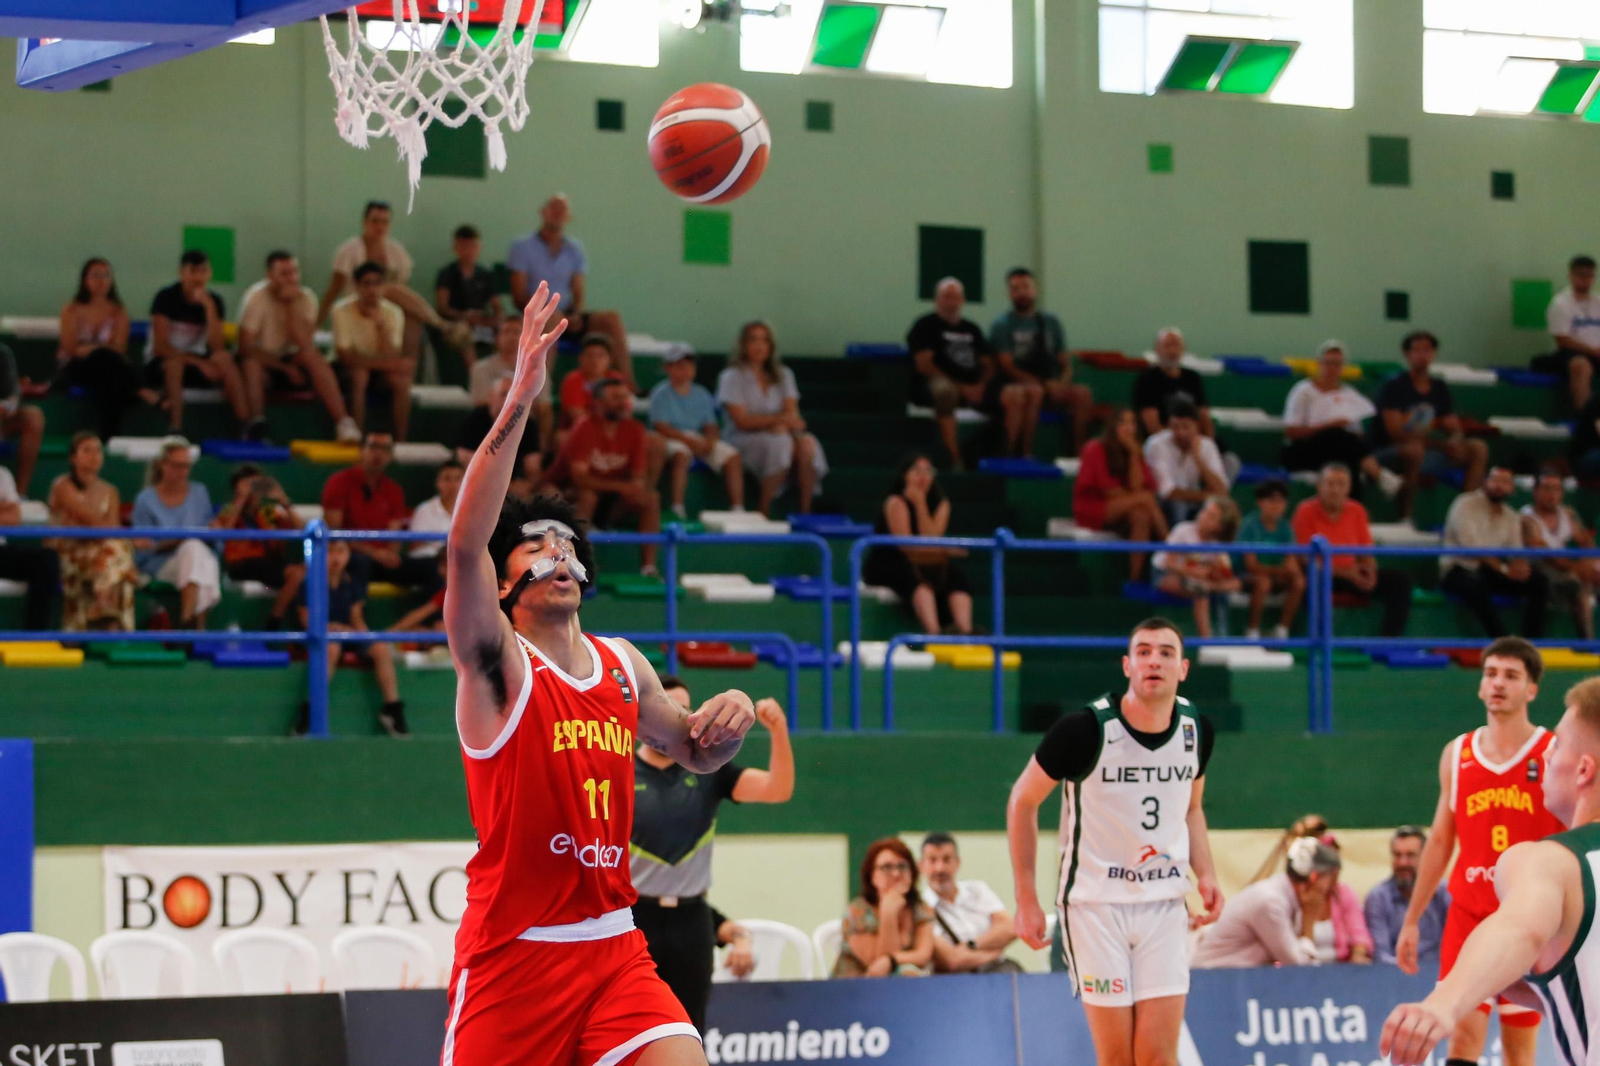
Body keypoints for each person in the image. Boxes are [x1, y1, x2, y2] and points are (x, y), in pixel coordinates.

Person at [440, 281, 754, 1065]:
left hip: (615, 946)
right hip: (515, 953)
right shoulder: (499, 666)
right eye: (535, 544)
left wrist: (731, 714)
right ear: (503, 586)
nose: (556, 552)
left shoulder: (623, 664)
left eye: (565, 543)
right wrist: (520, 398)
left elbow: (695, 751)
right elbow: (464, 544)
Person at [1007, 618, 1223, 1066]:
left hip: (1164, 904)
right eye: (1143, 652)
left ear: (1183, 669)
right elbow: (1022, 800)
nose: (1154, 661)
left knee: (1158, 1057)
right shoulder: (1084, 730)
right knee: (1118, 1059)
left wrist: (1206, 873)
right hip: (1095, 907)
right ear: (1127, 666)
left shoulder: (1197, 729)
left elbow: (1192, 807)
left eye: (1166, 653)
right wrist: (1026, 899)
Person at [1382, 676, 1600, 1066]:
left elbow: (1521, 927)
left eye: (1559, 745)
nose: (1548, 756)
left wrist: (1444, 1002)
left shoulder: (1549, 860)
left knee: (1516, 1048)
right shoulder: (1459, 755)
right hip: (1478, 917)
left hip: (1503, 926)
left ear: (1584, 770)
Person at [631, 677, 793, 1032]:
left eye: (683, 711)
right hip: (634, 917)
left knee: (691, 1027)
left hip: (692, 920)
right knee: (632, 1026)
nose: (674, 719)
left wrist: (778, 731)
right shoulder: (619, 770)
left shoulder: (707, 770)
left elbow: (777, 789)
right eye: (666, 708)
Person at [318, 200, 470, 367]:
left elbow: (404, 291)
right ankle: (440, 324)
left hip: (387, 310)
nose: (380, 227)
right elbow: (334, 288)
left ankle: (407, 372)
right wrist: (318, 322)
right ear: (365, 223)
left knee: (412, 322)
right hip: (357, 306)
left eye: (385, 222)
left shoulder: (396, 251)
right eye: (375, 221)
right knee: (387, 288)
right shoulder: (349, 250)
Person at [508, 194, 634, 391]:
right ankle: (541, 388)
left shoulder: (575, 249)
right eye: (554, 209)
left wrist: (576, 314)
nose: (558, 214)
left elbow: (578, 292)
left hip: (566, 314)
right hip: (538, 315)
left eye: (563, 210)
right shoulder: (522, 246)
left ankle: (627, 386)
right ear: (543, 213)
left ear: (569, 217)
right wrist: (546, 312)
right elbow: (518, 296)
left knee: (611, 319)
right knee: (552, 318)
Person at [238, 250, 360, 443]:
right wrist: (284, 369)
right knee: (251, 365)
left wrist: (290, 305)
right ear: (270, 276)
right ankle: (257, 425)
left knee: (312, 356)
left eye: (294, 272)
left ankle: (343, 422)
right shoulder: (256, 297)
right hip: (265, 361)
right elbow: (245, 347)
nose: (291, 278)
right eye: (284, 274)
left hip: (292, 358)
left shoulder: (306, 298)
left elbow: (305, 344)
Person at [909, 278, 1033, 466]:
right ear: (936, 300)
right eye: (946, 297)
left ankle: (1007, 455)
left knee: (1015, 394)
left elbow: (988, 363)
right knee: (945, 392)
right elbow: (924, 365)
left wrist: (982, 385)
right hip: (940, 381)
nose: (951, 302)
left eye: (955, 297)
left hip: (974, 383)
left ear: (962, 300)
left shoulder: (971, 328)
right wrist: (962, 388)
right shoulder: (924, 325)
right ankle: (955, 458)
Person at [292, 538, 407, 738]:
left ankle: (392, 709)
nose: (335, 557)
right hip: (319, 636)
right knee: (332, 648)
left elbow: (356, 618)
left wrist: (362, 634)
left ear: (348, 555)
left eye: (340, 551)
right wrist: (329, 628)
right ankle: (309, 710)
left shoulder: (352, 583)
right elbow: (306, 620)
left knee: (380, 648)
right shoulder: (310, 583)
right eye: (330, 551)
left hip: (346, 634)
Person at [547, 379, 661, 575]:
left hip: (612, 501)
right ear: (598, 403)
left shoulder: (635, 430)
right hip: (571, 495)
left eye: (624, 397)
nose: (623, 403)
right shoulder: (584, 427)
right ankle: (575, 565)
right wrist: (621, 487)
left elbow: (638, 479)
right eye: (616, 398)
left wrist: (628, 488)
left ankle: (649, 567)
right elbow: (579, 479)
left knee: (650, 499)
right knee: (588, 496)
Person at [1372, 331, 1487, 521]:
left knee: (1478, 448)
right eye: (1417, 350)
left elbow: (1453, 426)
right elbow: (1396, 434)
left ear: (1434, 353)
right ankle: (1405, 518)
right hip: (1390, 452)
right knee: (1415, 450)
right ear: (1407, 355)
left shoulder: (1439, 388)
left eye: (1427, 350)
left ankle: (1467, 516)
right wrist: (1440, 444)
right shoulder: (1394, 387)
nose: (1422, 355)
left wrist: (1455, 440)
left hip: (1429, 450)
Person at [716, 321, 827, 515]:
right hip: (741, 438)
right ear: (743, 345)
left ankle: (805, 511)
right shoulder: (731, 376)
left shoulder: (784, 374)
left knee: (808, 444)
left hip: (780, 433)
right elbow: (742, 421)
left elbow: (793, 416)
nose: (759, 346)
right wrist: (776, 422)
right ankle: (764, 509)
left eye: (764, 340)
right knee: (781, 443)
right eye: (753, 340)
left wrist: (783, 425)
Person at [1291, 462, 1412, 636]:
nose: (1335, 490)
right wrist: (1346, 572)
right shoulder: (1305, 511)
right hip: (1323, 573)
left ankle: (1389, 641)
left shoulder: (1357, 511)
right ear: (1319, 487)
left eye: (1341, 484)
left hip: (1351, 573)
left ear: (1349, 488)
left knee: (1400, 580)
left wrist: (1369, 571)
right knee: (1314, 578)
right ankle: (1319, 640)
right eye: (1330, 484)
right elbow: (1305, 559)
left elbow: (1366, 552)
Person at [864, 454, 973, 637]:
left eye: (928, 471)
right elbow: (906, 547)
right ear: (904, 475)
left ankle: (966, 633)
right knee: (917, 581)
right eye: (916, 470)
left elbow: (931, 539)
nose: (923, 476)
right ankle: (934, 634)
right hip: (890, 561)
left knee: (956, 578)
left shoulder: (941, 504)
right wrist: (944, 550)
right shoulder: (895, 502)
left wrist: (920, 504)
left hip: (927, 561)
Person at [1191, 837, 1339, 969]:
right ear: (1314, 877)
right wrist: (1309, 920)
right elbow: (1297, 967)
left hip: (1234, 980)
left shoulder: (1282, 897)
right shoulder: (1271, 902)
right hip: (1214, 981)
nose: (1333, 887)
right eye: (1331, 879)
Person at [990, 267, 1093, 455]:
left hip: (1051, 383)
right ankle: (1024, 453)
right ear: (1009, 293)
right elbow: (1007, 366)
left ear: (1035, 289)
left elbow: (1065, 362)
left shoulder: (1051, 322)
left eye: (1026, 287)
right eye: (1015, 288)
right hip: (1019, 383)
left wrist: (1062, 383)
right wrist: (1044, 385)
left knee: (1083, 394)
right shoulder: (1002, 324)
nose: (1021, 292)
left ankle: (1080, 453)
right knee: (1034, 391)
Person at [1281, 341, 1402, 500]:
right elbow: (1291, 432)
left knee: (1347, 456)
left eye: (1337, 364)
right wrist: (1327, 427)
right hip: (1302, 451)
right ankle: (1380, 475)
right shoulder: (1303, 391)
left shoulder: (1349, 394)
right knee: (1335, 434)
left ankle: (1354, 508)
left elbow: (1356, 436)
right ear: (1319, 364)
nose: (1332, 368)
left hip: (1339, 452)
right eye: (1328, 363)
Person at [322, 432, 439, 594]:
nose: (378, 453)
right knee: (360, 562)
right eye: (373, 447)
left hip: (382, 559)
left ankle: (435, 611)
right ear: (361, 451)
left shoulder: (394, 490)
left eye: (385, 449)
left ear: (390, 456)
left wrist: (390, 554)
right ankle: (356, 610)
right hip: (352, 556)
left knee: (432, 567)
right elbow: (334, 534)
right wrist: (373, 552)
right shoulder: (339, 482)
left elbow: (394, 533)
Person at [1440, 466, 1550, 639]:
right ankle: (1502, 640)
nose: (1499, 486)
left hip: (1490, 569)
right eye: (1495, 480)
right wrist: (1505, 570)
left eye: (1505, 482)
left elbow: (1516, 551)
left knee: (1538, 581)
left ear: (1512, 488)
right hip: (1458, 568)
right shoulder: (1465, 504)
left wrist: (1520, 567)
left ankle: (1532, 642)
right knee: (1475, 584)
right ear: (1486, 482)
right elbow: (1471, 547)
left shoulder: (1511, 516)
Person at [147, 249, 250, 434]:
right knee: (174, 364)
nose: (198, 277)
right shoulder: (165, 297)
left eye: (203, 271)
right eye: (192, 271)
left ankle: (246, 424)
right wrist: (200, 364)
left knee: (224, 358)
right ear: (182, 273)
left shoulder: (214, 301)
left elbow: (216, 347)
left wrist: (209, 308)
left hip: (197, 362)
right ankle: (175, 427)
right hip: (162, 363)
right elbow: (160, 347)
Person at [47, 431, 136, 632]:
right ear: (73, 458)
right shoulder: (63, 486)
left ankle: (104, 607)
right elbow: (91, 520)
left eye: (98, 450)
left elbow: (111, 529)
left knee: (115, 551)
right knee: (119, 554)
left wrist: (111, 534)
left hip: (98, 551)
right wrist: (124, 537)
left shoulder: (111, 491)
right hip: (68, 552)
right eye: (87, 451)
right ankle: (107, 612)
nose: (94, 456)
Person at [131, 438, 219, 631]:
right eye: (178, 466)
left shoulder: (199, 492)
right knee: (194, 550)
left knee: (196, 552)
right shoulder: (145, 500)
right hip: (163, 564)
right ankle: (196, 629)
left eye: (187, 466)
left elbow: (211, 537)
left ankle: (188, 623)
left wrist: (213, 529)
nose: (183, 472)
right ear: (163, 464)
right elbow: (143, 549)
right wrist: (180, 539)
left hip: (198, 558)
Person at [1072, 408, 1169, 581]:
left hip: (1124, 508)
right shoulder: (1095, 448)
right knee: (1146, 499)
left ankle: (1134, 578)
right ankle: (1172, 546)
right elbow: (1110, 493)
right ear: (1113, 426)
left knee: (1141, 516)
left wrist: (1133, 455)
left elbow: (1139, 486)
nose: (1129, 428)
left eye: (1132, 423)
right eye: (1123, 422)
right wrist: (1136, 497)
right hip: (1093, 507)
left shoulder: (1134, 450)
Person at [648, 347, 744, 519]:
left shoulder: (702, 393)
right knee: (682, 454)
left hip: (697, 438)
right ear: (668, 368)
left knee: (732, 456)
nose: (686, 370)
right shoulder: (660, 393)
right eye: (680, 366)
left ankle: (738, 509)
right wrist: (690, 442)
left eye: (689, 366)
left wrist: (710, 442)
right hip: (670, 438)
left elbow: (711, 426)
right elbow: (661, 427)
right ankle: (678, 508)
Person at [54, 257, 141, 445]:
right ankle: (140, 388)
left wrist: (92, 348)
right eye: (95, 275)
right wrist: (98, 349)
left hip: (108, 369)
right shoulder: (71, 309)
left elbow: (119, 348)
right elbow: (70, 348)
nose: (101, 281)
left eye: (106, 276)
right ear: (85, 279)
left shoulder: (118, 311)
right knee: (105, 362)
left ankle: (108, 436)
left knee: (108, 376)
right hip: (76, 367)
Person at [333, 262, 417, 441]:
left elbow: (393, 354)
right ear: (357, 286)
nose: (372, 289)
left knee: (402, 382)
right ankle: (357, 439)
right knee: (360, 375)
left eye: (377, 283)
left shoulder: (393, 312)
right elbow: (346, 357)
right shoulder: (341, 310)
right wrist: (391, 364)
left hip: (379, 371)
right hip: (348, 370)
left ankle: (401, 442)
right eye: (367, 284)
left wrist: (381, 328)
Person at [215, 465, 304, 631]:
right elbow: (224, 532)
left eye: (258, 484)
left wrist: (284, 501)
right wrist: (241, 498)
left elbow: (302, 530)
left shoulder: (268, 512)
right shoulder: (230, 510)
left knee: (306, 573)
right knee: (296, 574)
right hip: (242, 564)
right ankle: (274, 624)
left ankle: (286, 626)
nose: (254, 490)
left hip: (270, 563)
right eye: (250, 484)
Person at [919, 832, 1019, 975]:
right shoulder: (921, 908)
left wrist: (972, 945)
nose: (940, 868)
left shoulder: (978, 890)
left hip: (999, 973)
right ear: (921, 865)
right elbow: (952, 961)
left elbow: (1011, 928)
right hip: (957, 981)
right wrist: (994, 952)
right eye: (932, 860)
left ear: (957, 863)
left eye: (947, 860)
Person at [832, 838, 936, 977]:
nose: (896, 874)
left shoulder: (920, 908)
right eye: (886, 867)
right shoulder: (857, 912)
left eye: (902, 866)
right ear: (872, 876)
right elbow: (879, 970)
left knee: (908, 972)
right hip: (855, 985)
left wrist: (892, 960)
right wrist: (889, 913)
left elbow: (923, 955)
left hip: (902, 982)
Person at [1522, 469, 1600, 639]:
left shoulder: (1568, 513)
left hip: (1567, 570)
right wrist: (1578, 569)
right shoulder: (1527, 518)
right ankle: (1588, 644)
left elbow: (1586, 541)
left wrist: (1594, 564)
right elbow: (1546, 555)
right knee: (1578, 587)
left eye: (1556, 489)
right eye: (1547, 488)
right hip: (1540, 572)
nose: (1552, 494)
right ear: (1535, 491)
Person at [1153, 495, 1241, 639]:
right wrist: (1193, 572)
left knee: (1233, 585)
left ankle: (1223, 635)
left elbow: (1224, 573)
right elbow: (1169, 563)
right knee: (1201, 590)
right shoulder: (1183, 530)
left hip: (1198, 579)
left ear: (1220, 526)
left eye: (1211, 516)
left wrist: (1214, 573)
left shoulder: (1217, 544)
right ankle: (1206, 642)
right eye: (1205, 511)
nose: (1203, 516)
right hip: (1165, 574)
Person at [470, 316, 554, 461]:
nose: (512, 337)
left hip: (526, 427)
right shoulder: (481, 368)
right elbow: (481, 403)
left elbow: (544, 406)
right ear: (497, 338)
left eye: (517, 332)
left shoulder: (537, 369)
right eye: (507, 332)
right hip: (490, 427)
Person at [1365, 825, 1449, 967]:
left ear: (1426, 857)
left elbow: (1457, 943)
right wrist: (1410, 970)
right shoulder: (1378, 897)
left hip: (1441, 972)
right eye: (1397, 855)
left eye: (1410, 855)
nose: (1402, 863)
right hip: (1396, 974)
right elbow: (1381, 955)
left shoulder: (1444, 892)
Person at [1143, 397, 1229, 526]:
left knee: (1215, 506)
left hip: (1196, 501)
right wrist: (1207, 496)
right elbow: (1167, 492)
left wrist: (1198, 460)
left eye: (1186, 427)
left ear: (1197, 426)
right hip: (1164, 504)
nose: (1181, 433)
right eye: (1175, 427)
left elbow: (1221, 490)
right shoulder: (1156, 444)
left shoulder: (1206, 445)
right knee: (1179, 505)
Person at [1234, 480, 1304, 639]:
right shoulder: (1249, 525)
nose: (1276, 505)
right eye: (1271, 500)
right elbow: (1251, 566)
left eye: (1280, 501)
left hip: (1274, 574)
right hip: (1246, 574)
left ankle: (1282, 629)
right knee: (1263, 582)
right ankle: (1252, 630)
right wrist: (1281, 570)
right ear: (1260, 502)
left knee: (1298, 581)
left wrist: (1290, 570)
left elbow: (1290, 561)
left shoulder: (1286, 528)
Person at [434, 223, 503, 371]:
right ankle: (475, 375)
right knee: (464, 332)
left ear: (479, 247)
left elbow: (497, 306)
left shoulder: (486, 275)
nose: (469, 251)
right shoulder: (447, 274)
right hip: (456, 326)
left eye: (473, 246)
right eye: (464, 246)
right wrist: (465, 316)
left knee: (508, 333)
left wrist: (494, 320)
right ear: (456, 248)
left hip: (481, 326)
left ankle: (503, 375)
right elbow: (442, 307)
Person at [0, 460, 60, 630]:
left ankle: (35, 637)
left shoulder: (2, 474)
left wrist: (8, 512)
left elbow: (14, 518)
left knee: (46, 560)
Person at [460, 376, 543, 497]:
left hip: (515, 484)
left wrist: (527, 485)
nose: (510, 399)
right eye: (504, 394)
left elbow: (533, 468)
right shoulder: (475, 420)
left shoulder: (528, 424)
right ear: (491, 397)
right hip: (481, 482)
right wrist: (502, 487)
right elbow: (465, 460)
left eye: (515, 394)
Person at [1134, 329, 1214, 438]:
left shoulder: (1192, 378)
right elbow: (1151, 424)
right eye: (1167, 346)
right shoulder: (1147, 379)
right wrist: (1176, 441)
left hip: (1193, 439)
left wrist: (1207, 441)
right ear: (1157, 349)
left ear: (1183, 349)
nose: (1172, 351)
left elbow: (1204, 415)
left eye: (1176, 345)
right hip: (1161, 440)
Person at [1545, 254, 1600, 411]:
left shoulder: (1598, 302)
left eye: (1589, 275)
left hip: (1596, 352)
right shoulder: (1560, 303)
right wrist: (1593, 351)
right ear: (1571, 276)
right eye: (1581, 275)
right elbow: (1562, 339)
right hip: (1571, 353)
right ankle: (1584, 416)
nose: (1585, 279)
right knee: (1581, 366)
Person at [558, 334, 625, 432]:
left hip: (613, 430)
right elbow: (578, 416)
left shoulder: (617, 379)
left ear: (610, 359)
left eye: (600, 356)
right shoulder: (572, 380)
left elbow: (624, 411)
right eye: (589, 355)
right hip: (579, 431)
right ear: (580, 358)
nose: (595, 360)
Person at [409, 459, 462, 559]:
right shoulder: (424, 510)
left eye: (458, 478)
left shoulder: (474, 511)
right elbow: (416, 549)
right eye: (447, 479)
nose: (453, 484)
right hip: (432, 562)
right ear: (438, 482)